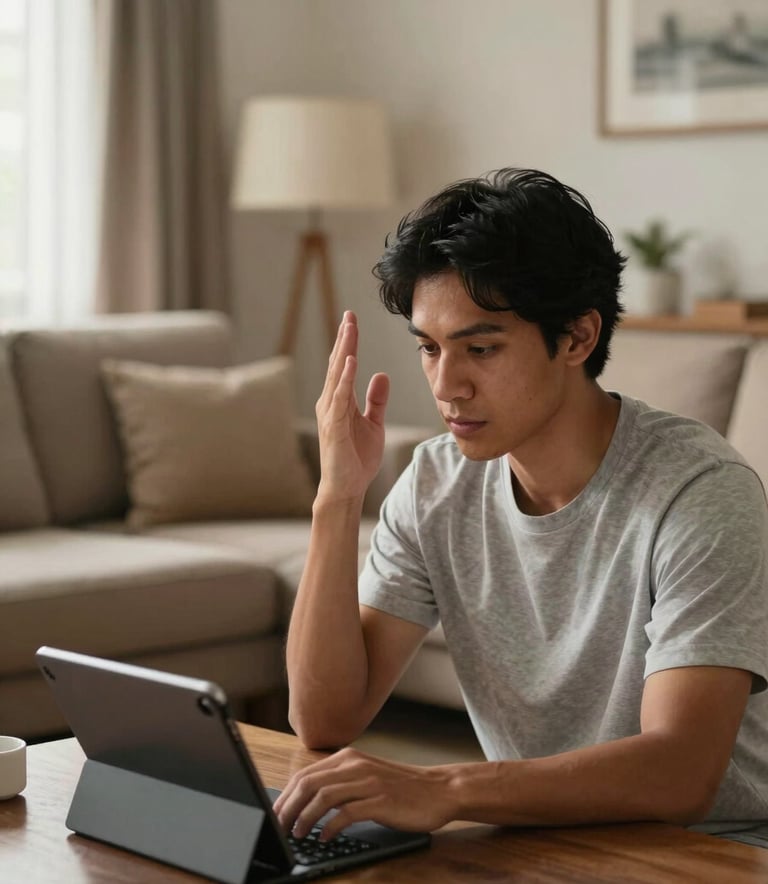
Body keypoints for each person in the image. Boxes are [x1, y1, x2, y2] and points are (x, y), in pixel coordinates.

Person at [273, 168, 768, 843]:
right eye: (429, 348)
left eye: (480, 348)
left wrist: (443, 787)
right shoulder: (434, 483)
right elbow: (325, 719)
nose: (447, 386)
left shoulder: (700, 492)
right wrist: (337, 496)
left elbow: (681, 772)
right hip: (536, 836)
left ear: (576, 338)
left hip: (712, 849)